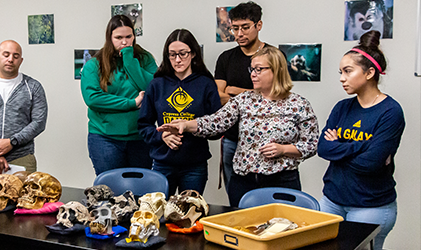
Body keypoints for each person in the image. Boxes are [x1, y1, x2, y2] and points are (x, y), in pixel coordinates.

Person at [158, 46, 319, 207]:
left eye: (259, 69)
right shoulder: (244, 100)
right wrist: (185, 125)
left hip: (282, 181)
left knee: (280, 229)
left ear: (276, 70)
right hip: (244, 182)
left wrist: (283, 150)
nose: (252, 74)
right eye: (252, 69)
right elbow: (215, 122)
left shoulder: (299, 104)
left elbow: (311, 145)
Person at [317, 30, 404, 250]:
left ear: (369, 73)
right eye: (340, 72)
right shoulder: (342, 107)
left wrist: (340, 147)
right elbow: (323, 148)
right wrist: (364, 145)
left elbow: (371, 164)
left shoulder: (390, 112)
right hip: (332, 201)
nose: (341, 78)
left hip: (370, 206)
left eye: (347, 71)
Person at [138, 29, 222, 197]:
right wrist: (162, 136)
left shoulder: (206, 84)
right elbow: (143, 126)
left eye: (183, 54)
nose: (177, 60)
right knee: (159, 214)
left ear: (193, 54)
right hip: (163, 163)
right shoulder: (156, 84)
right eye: (172, 55)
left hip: (194, 165)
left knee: (189, 216)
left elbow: (217, 127)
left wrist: (191, 127)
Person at [80, 15, 157, 176]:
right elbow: (93, 99)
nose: (124, 42)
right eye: (118, 37)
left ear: (134, 36)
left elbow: (153, 89)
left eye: (128, 37)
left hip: (140, 137)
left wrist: (129, 60)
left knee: (141, 191)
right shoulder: (95, 64)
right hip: (105, 138)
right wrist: (132, 103)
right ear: (109, 38)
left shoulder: (145, 59)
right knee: (111, 192)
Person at [214, 1, 274, 195]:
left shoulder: (273, 55)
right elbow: (219, 96)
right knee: (236, 200)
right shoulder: (226, 58)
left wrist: (235, 90)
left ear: (259, 25)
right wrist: (252, 94)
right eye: (235, 28)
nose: (239, 34)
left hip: (266, 140)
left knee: (265, 200)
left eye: (245, 27)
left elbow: (274, 97)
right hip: (232, 138)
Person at [0, 40, 48, 174]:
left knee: (24, 196)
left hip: (21, 159)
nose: (10, 59)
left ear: (21, 60)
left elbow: (39, 122)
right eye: (6, 54)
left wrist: (12, 142)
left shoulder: (33, 87)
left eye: (15, 56)